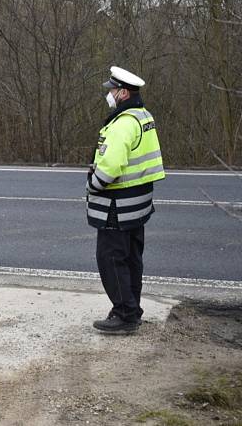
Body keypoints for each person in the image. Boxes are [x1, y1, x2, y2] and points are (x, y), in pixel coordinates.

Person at [86, 66, 165, 334]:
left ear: (122, 93)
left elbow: (109, 168)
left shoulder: (123, 124)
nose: (108, 94)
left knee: (110, 259)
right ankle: (132, 309)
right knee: (132, 259)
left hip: (116, 207)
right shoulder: (144, 116)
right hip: (137, 206)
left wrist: (91, 184)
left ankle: (124, 315)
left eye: (111, 90)